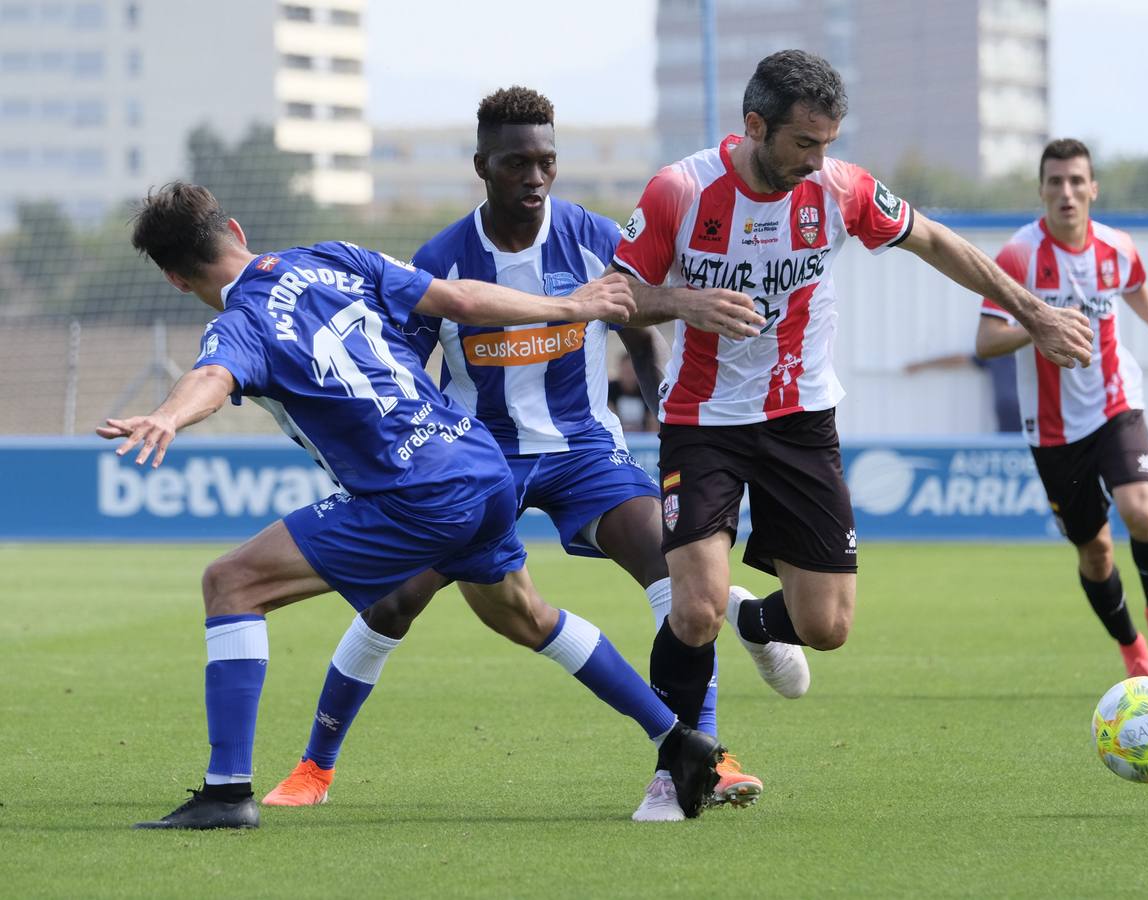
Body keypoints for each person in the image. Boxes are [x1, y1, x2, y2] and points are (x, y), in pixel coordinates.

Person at [105, 182, 725, 830]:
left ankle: (227, 793)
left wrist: (167, 416)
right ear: (234, 228)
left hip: (415, 492)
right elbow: (457, 297)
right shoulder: (331, 256)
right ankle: (676, 737)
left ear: (176, 279)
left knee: (230, 583)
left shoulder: (237, 325)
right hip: (481, 462)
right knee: (525, 615)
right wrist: (566, 304)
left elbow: (211, 377)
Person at [259, 87, 765, 823]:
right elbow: (405, 372)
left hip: (583, 449)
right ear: (482, 167)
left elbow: (635, 314)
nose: (535, 177)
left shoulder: (590, 234)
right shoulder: (442, 259)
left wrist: (658, 394)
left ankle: (705, 757)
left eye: (546, 162)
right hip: (478, 457)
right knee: (396, 599)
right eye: (517, 163)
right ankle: (314, 766)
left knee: (675, 574)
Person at [605, 49, 1094, 758]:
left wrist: (1035, 312)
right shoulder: (677, 191)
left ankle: (758, 626)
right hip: (703, 421)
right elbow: (617, 295)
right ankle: (677, 768)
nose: (816, 159)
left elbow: (934, 240)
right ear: (754, 125)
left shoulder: (839, 189)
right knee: (694, 607)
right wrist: (683, 300)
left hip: (801, 419)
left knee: (827, 626)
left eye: (827, 143)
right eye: (803, 142)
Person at [975, 138, 1148, 679]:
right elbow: (985, 341)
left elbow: (1136, 286)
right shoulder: (1019, 255)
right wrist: (1039, 322)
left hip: (1115, 402)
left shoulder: (1116, 247)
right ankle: (1132, 650)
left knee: (1140, 510)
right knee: (1095, 553)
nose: (1067, 193)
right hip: (1052, 430)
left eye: (1077, 181)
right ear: (1042, 190)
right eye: (1056, 182)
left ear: (1093, 188)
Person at [902, 351, 1019, 433]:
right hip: (1007, 434)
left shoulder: (1032, 356)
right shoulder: (996, 356)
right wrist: (923, 365)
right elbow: (959, 359)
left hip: (1033, 430)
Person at [610, 352, 659, 433]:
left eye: (631, 371)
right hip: (618, 434)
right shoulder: (612, 389)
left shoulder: (647, 389)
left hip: (643, 437)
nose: (628, 375)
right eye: (625, 371)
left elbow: (653, 419)